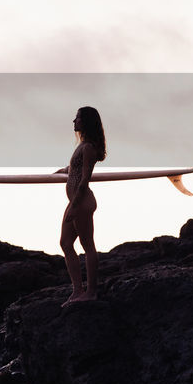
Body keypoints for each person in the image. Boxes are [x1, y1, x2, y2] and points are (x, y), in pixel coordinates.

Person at [59, 106, 105, 305]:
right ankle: (77, 290)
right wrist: (63, 170)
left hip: (82, 202)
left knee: (88, 246)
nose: (74, 121)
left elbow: (85, 178)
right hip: (76, 202)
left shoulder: (88, 147)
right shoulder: (82, 145)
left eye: (77, 118)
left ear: (86, 121)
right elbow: (75, 169)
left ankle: (91, 292)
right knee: (65, 243)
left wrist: (75, 206)